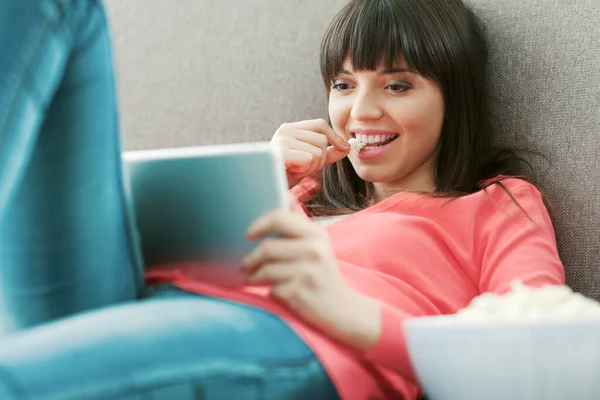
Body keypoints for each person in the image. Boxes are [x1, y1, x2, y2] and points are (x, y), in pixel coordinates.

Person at [0, 0, 565, 399]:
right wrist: (262, 181)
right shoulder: (298, 192)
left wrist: (354, 317)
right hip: (138, 296)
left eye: (397, 84)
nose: (359, 111)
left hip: (298, 339)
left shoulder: (497, 205)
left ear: (454, 99)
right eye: (344, 84)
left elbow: (542, 354)